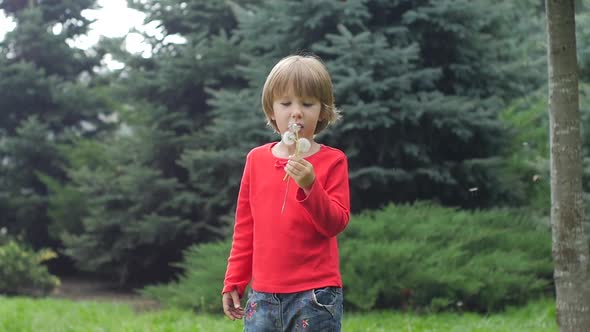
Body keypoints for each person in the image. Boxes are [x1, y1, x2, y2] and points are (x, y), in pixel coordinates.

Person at [221, 54, 351, 331]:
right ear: (271, 110)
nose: (296, 112)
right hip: (263, 296)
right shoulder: (256, 160)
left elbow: (335, 224)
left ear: (323, 112)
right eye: (286, 103)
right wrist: (234, 279)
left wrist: (309, 185)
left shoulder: (333, 161)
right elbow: (245, 226)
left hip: (316, 295)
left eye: (307, 103)